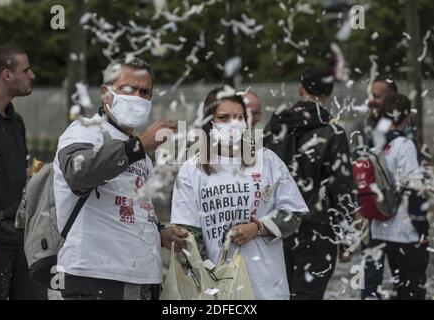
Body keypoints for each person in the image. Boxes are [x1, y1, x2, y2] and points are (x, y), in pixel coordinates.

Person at [53, 57, 187, 300]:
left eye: (145, 92)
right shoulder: (84, 131)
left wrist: (161, 233)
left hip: (143, 280)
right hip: (94, 278)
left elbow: (133, 209)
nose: (137, 96)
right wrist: (140, 145)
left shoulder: (141, 155)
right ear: (105, 93)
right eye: (128, 89)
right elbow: (77, 174)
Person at [170, 87, 309, 300]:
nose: (233, 124)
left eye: (239, 117)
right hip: (219, 286)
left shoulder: (268, 160)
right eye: (224, 118)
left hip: (267, 284)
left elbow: (294, 214)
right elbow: (188, 233)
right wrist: (209, 276)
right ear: (209, 122)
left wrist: (257, 228)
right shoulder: (192, 169)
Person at [265, 68, 358, 300]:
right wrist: (347, 239)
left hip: (276, 226)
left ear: (301, 89)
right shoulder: (333, 133)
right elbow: (342, 189)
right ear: (328, 95)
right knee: (308, 295)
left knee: (277, 294)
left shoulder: (276, 126)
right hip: (318, 229)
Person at [0, 45, 46, 299]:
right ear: (7, 75)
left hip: (21, 240)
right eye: (26, 69)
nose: (32, 75)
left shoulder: (15, 120)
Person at [369, 93, 429, 300]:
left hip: (380, 227)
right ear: (407, 117)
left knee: (398, 286)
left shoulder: (376, 144)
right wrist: (423, 228)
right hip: (405, 232)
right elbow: (414, 190)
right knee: (412, 290)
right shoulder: (405, 145)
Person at [351, 77, 398, 300]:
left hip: (399, 211)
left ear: (392, 99)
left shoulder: (402, 125)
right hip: (371, 210)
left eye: (378, 96)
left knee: (402, 269)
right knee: (370, 268)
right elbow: (352, 169)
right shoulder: (362, 126)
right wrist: (357, 210)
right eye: (371, 95)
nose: (372, 101)